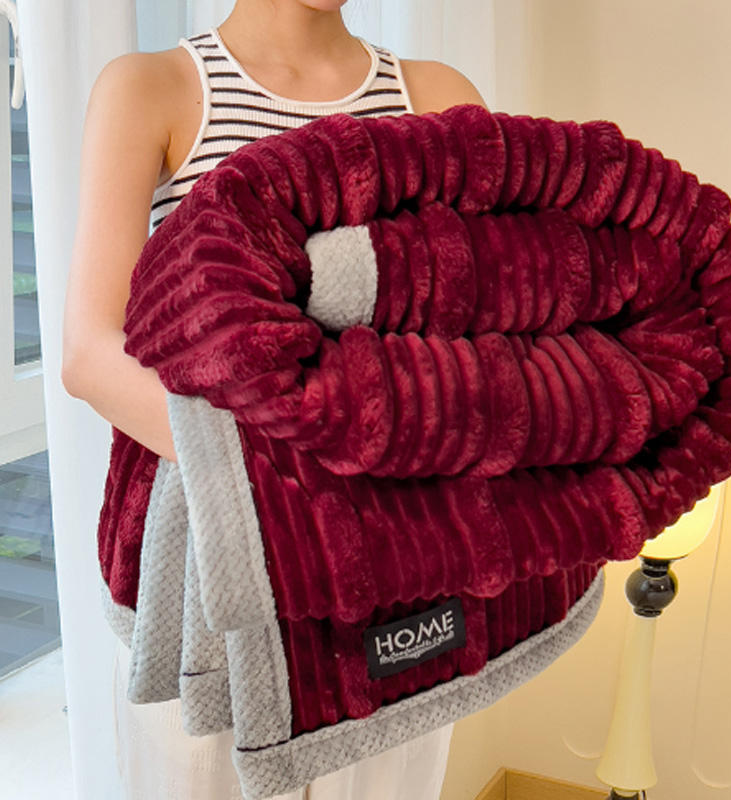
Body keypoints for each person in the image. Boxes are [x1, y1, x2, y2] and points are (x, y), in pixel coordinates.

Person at [61, 1, 488, 799]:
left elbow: (482, 337)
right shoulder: (155, 88)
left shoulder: (437, 97)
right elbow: (90, 354)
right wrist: (291, 489)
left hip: (395, 573)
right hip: (212, 573)